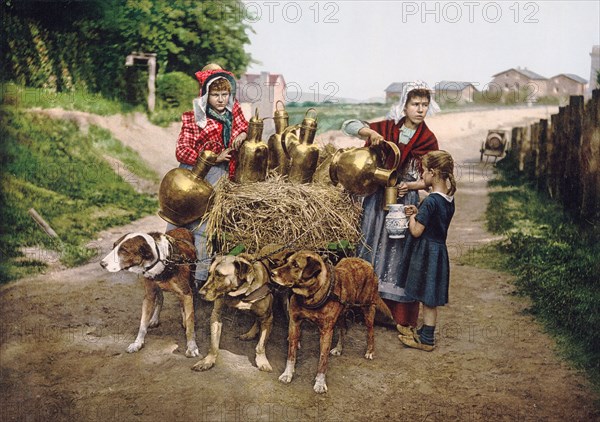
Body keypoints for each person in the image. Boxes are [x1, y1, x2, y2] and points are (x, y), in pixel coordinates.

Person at [341, 81, 440, 329]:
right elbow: (348, 125)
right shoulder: (385, 128)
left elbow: (432, 177)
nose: (420, 109)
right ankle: (362, 306)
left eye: (424, 105)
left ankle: (396, 314)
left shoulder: (428, 139)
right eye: (415, 104)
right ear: (404, 106)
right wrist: (369, 134)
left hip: (404, 201)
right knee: (370, 242)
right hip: (376, 198)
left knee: (397, 250)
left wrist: (414, 186)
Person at [167, 63, 248, 287]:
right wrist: (212, 158)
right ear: (205, 94)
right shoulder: (196, 116)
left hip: (219, 174)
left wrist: (241, 134)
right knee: (177, 221)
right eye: (215, 95)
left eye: (224, 94)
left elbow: (245, 127)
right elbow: (182, 150)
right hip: (192, 174)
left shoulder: (234, 113)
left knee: (204, 227)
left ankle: (200, 278)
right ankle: (167, 270)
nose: (221, 99)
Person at [396, 150, 456, 351]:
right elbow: (434, 221)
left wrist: (412, 216)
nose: (422, 177)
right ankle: (425, 331)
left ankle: (427, 340)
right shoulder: (448, 199)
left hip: (427, 253)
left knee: (428, 299)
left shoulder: (430, 201)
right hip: (439, 252)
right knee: (429, 296)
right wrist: (419, 212)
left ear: (433, 172)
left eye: (423, 172)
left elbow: (416, 231)